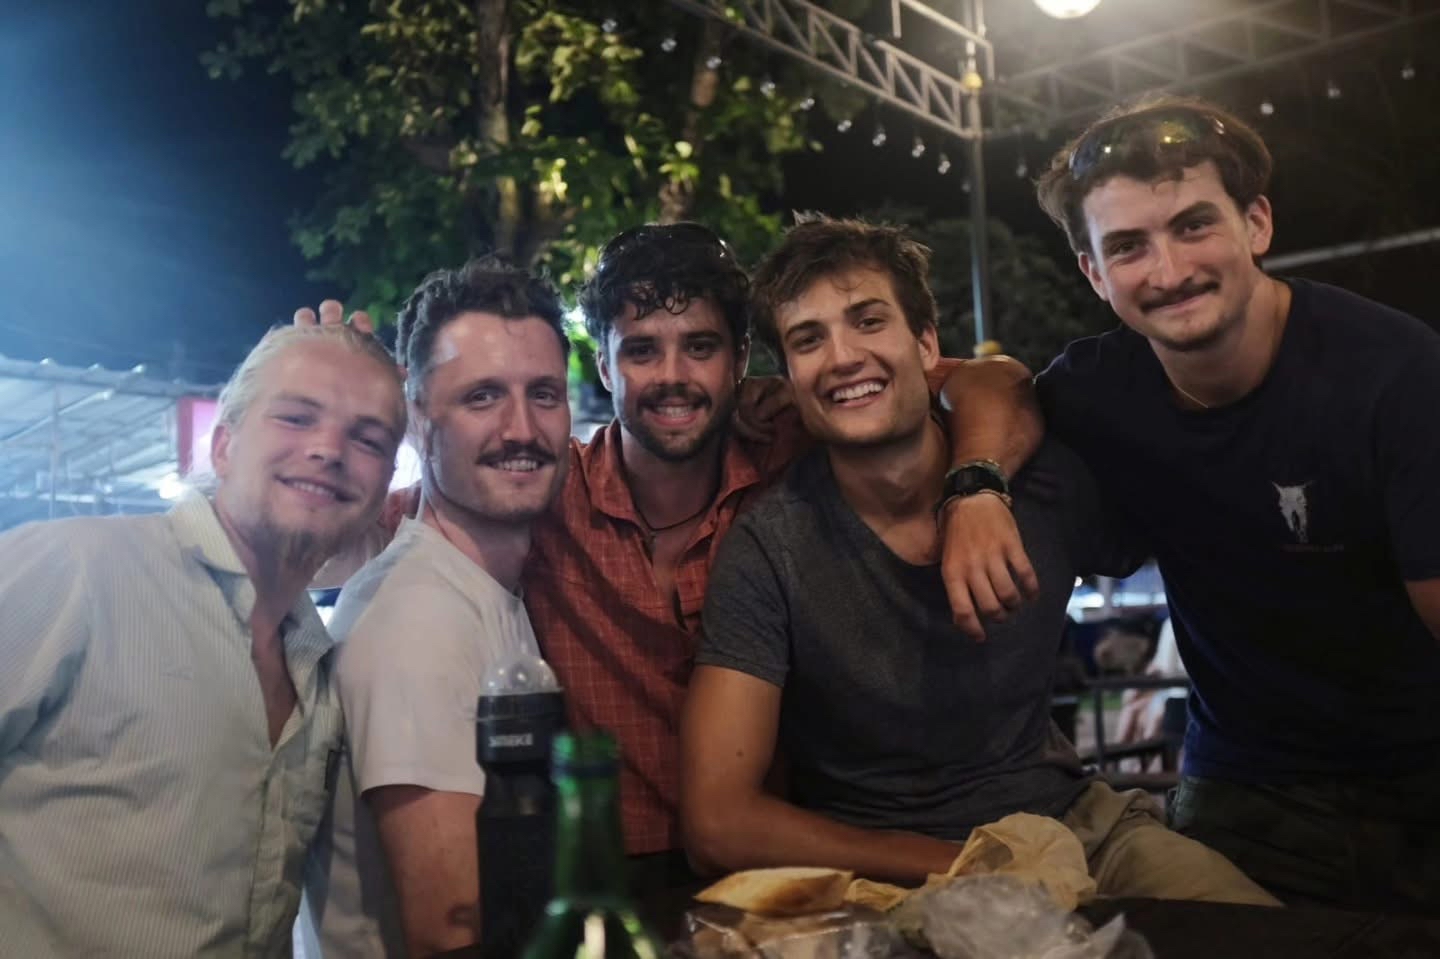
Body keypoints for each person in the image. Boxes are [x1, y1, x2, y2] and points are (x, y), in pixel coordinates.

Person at [682, 216, 1277, 906]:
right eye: (808, 340)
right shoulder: (769, 547)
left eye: (868, 321)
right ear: (787, 377)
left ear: (927, 344)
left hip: (1079, 828)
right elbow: (716, 822)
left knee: (1264, 929)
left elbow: (1211, 530)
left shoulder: (1041, 482)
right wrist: (968, 864)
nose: (843, 356)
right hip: (884, 872)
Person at [522, 222, 1045, 889]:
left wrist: (974, 485)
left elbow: (994, 384)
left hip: (791, 870)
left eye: (701, 347)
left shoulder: (804, 442)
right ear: (603, 364)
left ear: (742, 359)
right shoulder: (546, 494)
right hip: (609, 874)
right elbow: (412, 506)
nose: (673, 377)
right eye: (642, 351)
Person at [1026, 94, 1440, 912]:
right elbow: (984, 388)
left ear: (1257, 223)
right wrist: (973, 483)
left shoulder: (1395, 371)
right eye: (1129, 246)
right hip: (1246, 791)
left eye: (1193, 225)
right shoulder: (1093, 389)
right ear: (1094, 274)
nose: (1170, 270)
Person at [0, 323, 406, 957]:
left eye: (368, 438)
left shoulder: (321, 669)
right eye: (297, 417)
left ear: (384, 484)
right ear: (222, 446)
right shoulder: (73, 569)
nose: (329, 448)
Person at [304, 259, 572, 957]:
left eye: (543, 393)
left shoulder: (479, 590)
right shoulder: (416, 621)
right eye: (482, 397)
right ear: (417, 420)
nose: (522, 428)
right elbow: (451, 932)